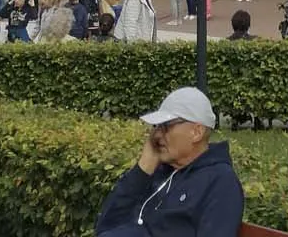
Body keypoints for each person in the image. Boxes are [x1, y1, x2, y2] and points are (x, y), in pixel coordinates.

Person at [95, 85, 244, 237]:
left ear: (196, 132)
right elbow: (106, 226)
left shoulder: (219, 182)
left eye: (166, 126)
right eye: (157, 126)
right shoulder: (161, 171)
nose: (157, 135)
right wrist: (143, 168)